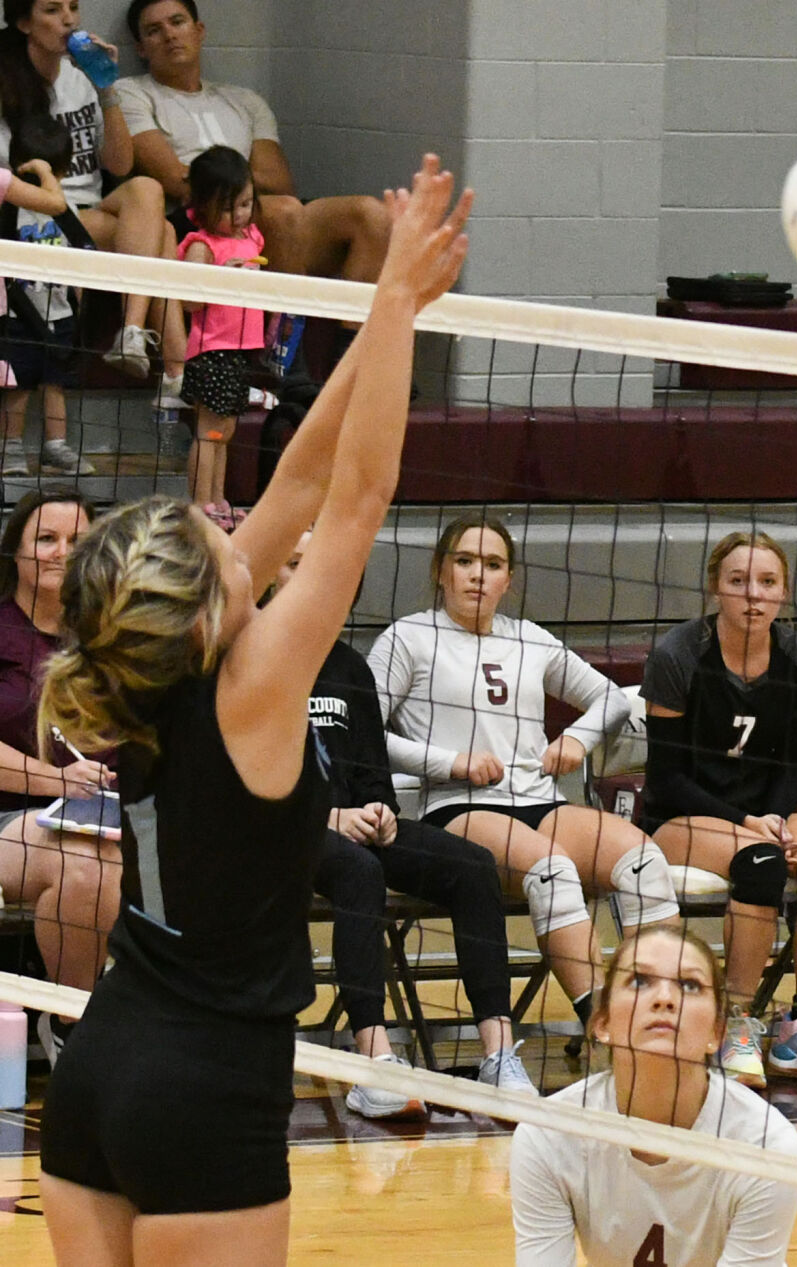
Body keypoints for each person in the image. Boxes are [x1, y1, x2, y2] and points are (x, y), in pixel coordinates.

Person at [33, 155, 470, 1262]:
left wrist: (385, 310)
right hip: (205, 1088)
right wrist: (398, 307)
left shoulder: (141, 682)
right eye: (215, 548)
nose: (236, 535)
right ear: (206, 609)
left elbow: (296, 487)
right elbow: (358, 494)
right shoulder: (257, 688)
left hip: (104, 1066)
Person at [370, 515, 680, 1055]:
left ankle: (660, 1018)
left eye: (492, 565)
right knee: (552, 871)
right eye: (464, 561)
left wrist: (578, 740)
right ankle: (608, 1030)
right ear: (440, 570)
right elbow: (364, 733)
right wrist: (450, 762)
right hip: (455, 806)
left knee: (643, 862)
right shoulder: (408, 638)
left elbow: (610, 699)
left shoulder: (529, 639)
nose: (477, 576)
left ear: (507, 579)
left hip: (537, 800)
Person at [271, 529, 532, 1115]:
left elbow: (370, 763)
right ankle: (373, 1062)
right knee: (360, 872)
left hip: (355, 824)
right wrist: (326, 815)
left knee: (471, 865)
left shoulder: (347, 666)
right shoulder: (249, 654)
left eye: (321, 564)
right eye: (292, 563)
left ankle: (497, 1053)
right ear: (269, 573)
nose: (308, 576)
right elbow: (240, 777)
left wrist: (382, 809)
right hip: (278, 829)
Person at [641, 530, 797, 1089]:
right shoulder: (678, 655)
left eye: (767, 583)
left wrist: (776, 819)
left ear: (783, 593)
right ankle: (737, 1025)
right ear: (716, 588)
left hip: (761, 816)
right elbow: (666, 779)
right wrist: (752, 826)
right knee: (763, 865)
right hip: (679, 818)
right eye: (738, 581)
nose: (753, 595)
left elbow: (792, 765)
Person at [510, 925, 797, 1267]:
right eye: (639, 981)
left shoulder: (766, 1146)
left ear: (716, 1032)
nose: (665, 998)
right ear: (602, 1023)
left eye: (689, 985)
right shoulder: (548, 1133)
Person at [118, 0, 390, 298]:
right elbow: (175, 179)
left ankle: (351, 341)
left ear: (199, 31)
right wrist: (241, 182)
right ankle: (282, 340)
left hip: (260, 214)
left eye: (177, 22)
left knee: (371, 214)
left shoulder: (244, 100)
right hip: (198, 220)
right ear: (141, 48)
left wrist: (216, 176)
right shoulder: (132, 93)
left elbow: (279, 181)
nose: (169, 35)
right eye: (154, 30)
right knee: (282, 211)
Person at [0, 0, 186, 386]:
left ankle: (132, 335)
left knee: (146, 188)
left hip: (88, 211)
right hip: (32, 218)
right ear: (23, 23)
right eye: (52, 10)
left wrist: (107, 88)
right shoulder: (5, 83)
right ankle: (175, 375)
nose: (68, 19)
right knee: (164, 235)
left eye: (73, 7)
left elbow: (119, 164)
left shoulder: (81, 76)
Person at [0, 488, 118, 1064]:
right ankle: (82, 1033)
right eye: (46, 538)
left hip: (114, 826)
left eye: (78, 541)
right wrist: (59, 781)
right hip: (9, 820)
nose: (61, 552)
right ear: (16, 552)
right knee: (78, 857)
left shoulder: (115, 639)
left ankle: (74, 1030)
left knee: (93, 864)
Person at [0, 114, 93, 475]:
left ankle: (56, 445)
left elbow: (85, 248)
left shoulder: (62, 209)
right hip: (18, 314)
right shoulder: (9, 208)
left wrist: (76, 302)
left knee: (56, 380)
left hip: (58, 312)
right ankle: (10, 448)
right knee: (18, 383)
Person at [176, 144, 264, 518]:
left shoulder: (253, 238)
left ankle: (219, 500)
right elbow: (189, 303)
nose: (239, 214)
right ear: (204, 205)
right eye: (229, 207)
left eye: (245, 203)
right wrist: (224, 276)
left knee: (225, 431)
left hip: (244, 347)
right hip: (212, 349)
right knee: (209, 431)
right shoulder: (201, 246)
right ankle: (200, 504)